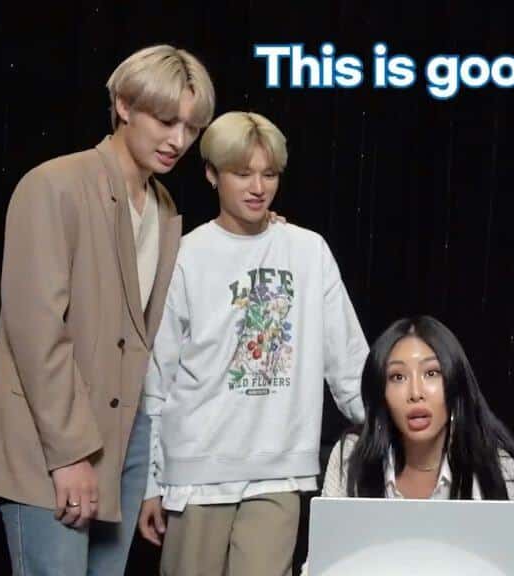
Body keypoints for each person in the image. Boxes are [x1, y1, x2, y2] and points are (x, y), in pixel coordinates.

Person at [0, 45, 215, 575]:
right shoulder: (54, 185)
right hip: (50, 437)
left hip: (126, 436)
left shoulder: (163, 208)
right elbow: (36, 331)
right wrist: (69, 454)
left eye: (192, 127)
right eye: (166, 121)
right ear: (123, 105)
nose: (178, 140)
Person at [136, 111, 368, 576]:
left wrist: (389, 428)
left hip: (279, 467)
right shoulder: (186, 254)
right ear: (212, 174)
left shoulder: (308, 251)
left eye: (269, 174)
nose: (258, 188)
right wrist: (149, 483)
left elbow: (348, 360)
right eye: (242, 174)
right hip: (197, 469)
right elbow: (157, 376)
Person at [322, 315, 514, 501]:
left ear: (455, 382)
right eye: (398, 377)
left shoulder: (495, 465)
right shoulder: (351, 456)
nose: (416, 393)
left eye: (431, 373)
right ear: (381, 392)